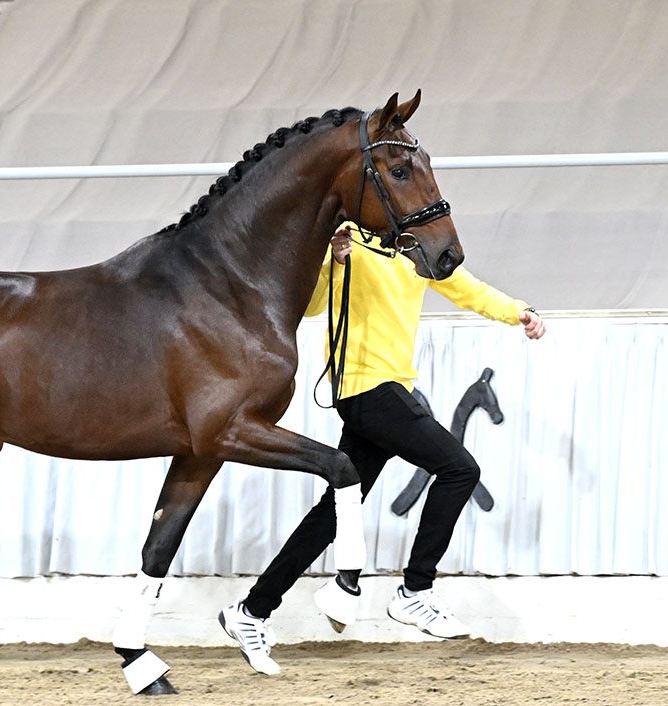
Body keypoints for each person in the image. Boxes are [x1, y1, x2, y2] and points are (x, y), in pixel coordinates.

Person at [217, 223, 546, 675]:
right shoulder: (349, 237)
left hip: (389, 390)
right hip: (365, 390)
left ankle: (250, 612)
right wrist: (333, 258)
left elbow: (467, 289)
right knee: (459, 470)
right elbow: (312, 306)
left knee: (332, 515)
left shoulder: (417, 248)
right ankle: (415, 591)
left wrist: (519, 312)